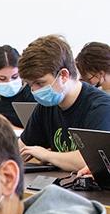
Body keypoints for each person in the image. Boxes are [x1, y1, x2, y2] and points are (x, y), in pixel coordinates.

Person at [18, 34, 110, 171]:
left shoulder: (100, 107)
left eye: (39, 83)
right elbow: (22, 147)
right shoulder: (46, 106)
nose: (34, 90)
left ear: (64, 75)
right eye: (30, 84)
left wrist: (47, 155)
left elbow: (92, 162)